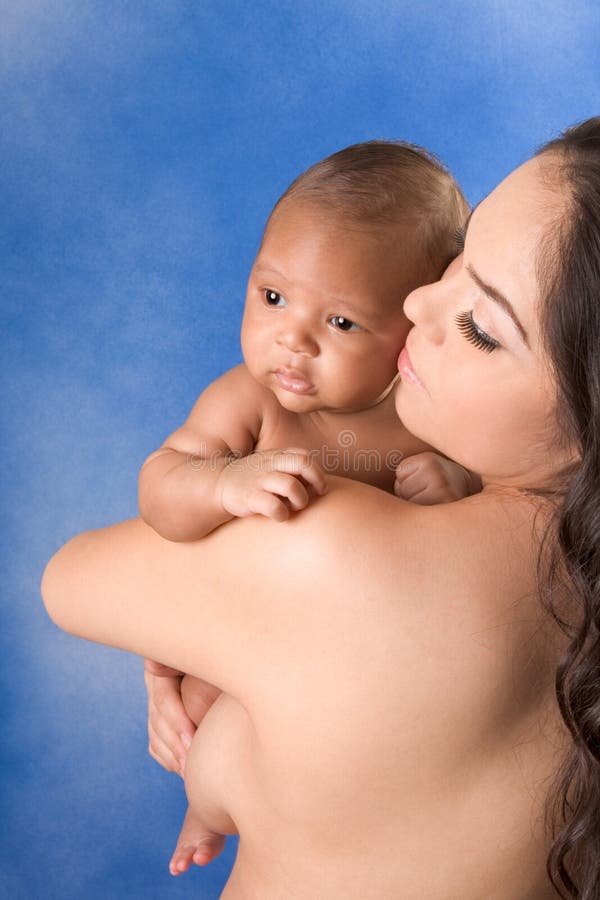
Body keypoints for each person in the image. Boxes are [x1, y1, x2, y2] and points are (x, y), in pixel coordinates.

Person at [41, 117, 600, 899]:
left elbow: (69, 581)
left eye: (479, 326)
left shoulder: (336, 550)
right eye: (459, 263)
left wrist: (204, 613)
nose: (416, 303)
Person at [137, 140, 479, 873]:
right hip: (242, 629)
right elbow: (160, 486)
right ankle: (209, 807)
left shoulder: (427, 418)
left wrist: (455, 488)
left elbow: (482, 534)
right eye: (272, 297)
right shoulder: (248, 402)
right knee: (202, 705)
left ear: (411, 333)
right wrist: (223, 483)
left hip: (353, 658)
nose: (291, 338)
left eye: (342, 323)